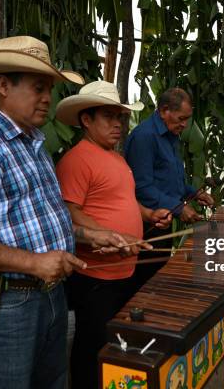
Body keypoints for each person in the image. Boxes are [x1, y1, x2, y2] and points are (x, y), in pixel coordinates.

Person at [0, 36, 128, 389]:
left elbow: (40, 219)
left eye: (49, 89)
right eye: (39, 88)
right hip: (7, 304)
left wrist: (88, 235)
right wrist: (34, 263)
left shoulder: (35, 145)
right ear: (3, 85)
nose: (46, 99)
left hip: (50, 295)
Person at [55, 81, 172, 389]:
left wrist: (148, 215)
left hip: (125, 270)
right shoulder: (76, 160)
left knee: (116, 345)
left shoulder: (117, 158)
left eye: (119, 117)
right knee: (92, 347)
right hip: (96, 276)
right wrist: (110, 235)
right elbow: (69, 212)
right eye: (108, 116)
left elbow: (124, 199)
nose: (118, 124)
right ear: (86, 119)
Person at [124, 88, 215, 287]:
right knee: (145, 284)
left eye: (187, 119)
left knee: (158, 279)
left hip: (164, 221)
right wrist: (179, 207)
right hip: (148, 224)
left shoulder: (171, 135)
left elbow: (172, 180)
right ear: (165, 110)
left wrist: (195, 193)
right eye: (181, 118)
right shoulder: (144, 137)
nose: (185, 124)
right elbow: (141, 187)